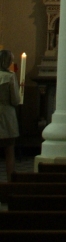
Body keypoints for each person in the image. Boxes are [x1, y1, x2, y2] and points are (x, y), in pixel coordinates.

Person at [0, 49, 19, 180]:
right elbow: (15, 100)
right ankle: (10, 184)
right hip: (6, 115)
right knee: (9, 152)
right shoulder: (10, 76)